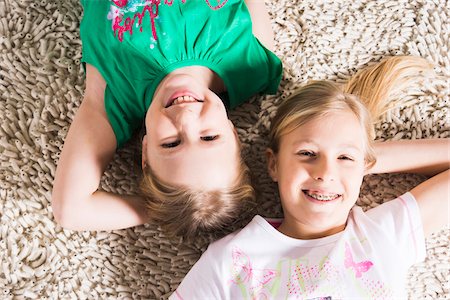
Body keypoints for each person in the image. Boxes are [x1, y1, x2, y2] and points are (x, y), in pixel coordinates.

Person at [170, 56, 449, 299]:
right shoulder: (233, 258)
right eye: (307, 153)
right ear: (274, 164)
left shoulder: (383, 235)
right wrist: (350, 160)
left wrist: (363, 161)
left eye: (344, 158)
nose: (325, 173)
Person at [51, 0, 283, 237]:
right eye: (209, 137)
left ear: (145, 154)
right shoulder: (252, 63)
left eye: (171, 143)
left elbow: (70, 210)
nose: (186, 117)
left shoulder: (114, 99)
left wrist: (165, 208)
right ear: (234, 134)